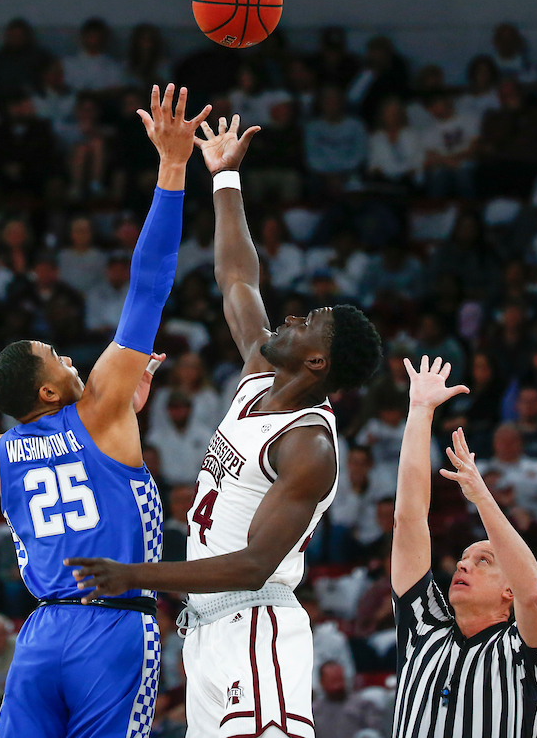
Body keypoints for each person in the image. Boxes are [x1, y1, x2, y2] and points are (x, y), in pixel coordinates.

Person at [65, 113, 384, 737]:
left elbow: (251, 565)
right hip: (206, 633)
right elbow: (236, 277)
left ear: (318, 361)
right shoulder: (261, 374)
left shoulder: (309, 447)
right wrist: (226, 178)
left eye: (308, 322)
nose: (291, 318)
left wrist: (135, 577)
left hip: (257, 626)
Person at [0, 84, 211, 737]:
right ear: (48, 391)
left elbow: (63, 456)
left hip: (41, 635)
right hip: (110, 630)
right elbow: (149, 283)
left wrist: (120, 414)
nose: (72, 360)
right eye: (57, 358)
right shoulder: (100, 408)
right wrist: (172, 166)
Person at [391, 358, 537, 738]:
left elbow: (534, 596)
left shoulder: (526, 652)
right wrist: (420, 412)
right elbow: (410, 521)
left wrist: (482, 497)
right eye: (465, 559)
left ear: (508, 590)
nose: (463, 566)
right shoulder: (423, 626)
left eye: (483, 560)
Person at [312, 662, 387, 738]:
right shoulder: (314, 711)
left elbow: (376, 732)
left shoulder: (363, 705)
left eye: (339, 679)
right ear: (322, 681)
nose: (337, 686)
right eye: (332, 681)